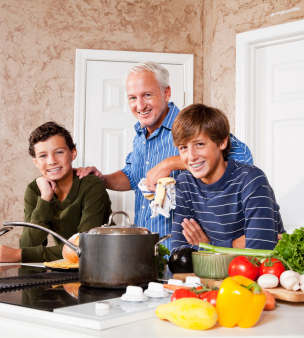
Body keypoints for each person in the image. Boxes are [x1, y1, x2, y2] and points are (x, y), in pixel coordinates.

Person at [77, 62, 253, 247]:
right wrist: (102, 179)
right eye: (132, 98)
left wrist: (168, 164)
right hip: (147, 249)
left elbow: (241, 157)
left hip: (187, 249)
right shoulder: (140, 134)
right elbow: (133, 176)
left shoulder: (188, 125)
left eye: (147, 95)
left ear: (166, 93)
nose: (140, 105)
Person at [170, 104, 284, 252]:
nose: (191, 157)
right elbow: (178, 252)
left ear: (222, 142)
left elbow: (259, 251)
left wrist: (208, 247)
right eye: (183, 147)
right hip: (214, 274)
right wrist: (234, 245)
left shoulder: (252, 180)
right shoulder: (185, 182)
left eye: (199, 144)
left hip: (265, 273)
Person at [0, 121, 111, 263]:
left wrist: (20, 255)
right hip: (68, 268)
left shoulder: (92, 186)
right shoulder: (34, 190)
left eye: (59, 152)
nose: (51, 161)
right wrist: (45, 199)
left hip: (104, 264)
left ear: (73, 153)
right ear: (35, 161)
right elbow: (29, 245)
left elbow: (85, 246)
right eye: (43, 156)